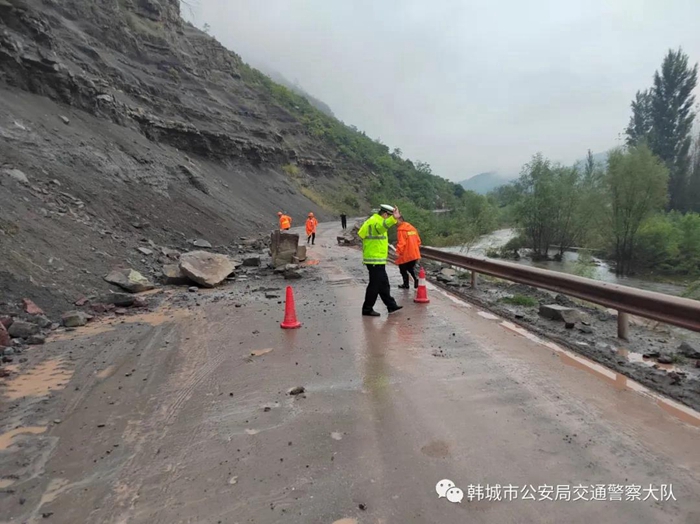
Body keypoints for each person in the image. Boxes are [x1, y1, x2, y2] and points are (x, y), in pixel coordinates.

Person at [357, 204, 403, 317]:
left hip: (376, 259)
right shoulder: (376, 222)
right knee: (375, 285)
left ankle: (391, 305)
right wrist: (394, 219)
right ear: (385, 214)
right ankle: (367, 308)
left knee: (383, 284)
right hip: (374, 260)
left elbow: (361, 234)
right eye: (389, 216)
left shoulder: (371, 220)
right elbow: (382, 227)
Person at [395, 216, 422, 289]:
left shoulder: (401, 230)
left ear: (400, 220)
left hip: (406, 254)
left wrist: (398, 252)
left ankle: (406, 284)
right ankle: (416, 279)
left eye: (396, 221)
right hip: (414, 253)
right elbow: (418, 241)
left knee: (402, 269)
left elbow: (402, 243)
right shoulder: (412, 228)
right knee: (410, 268)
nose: (395, 223)